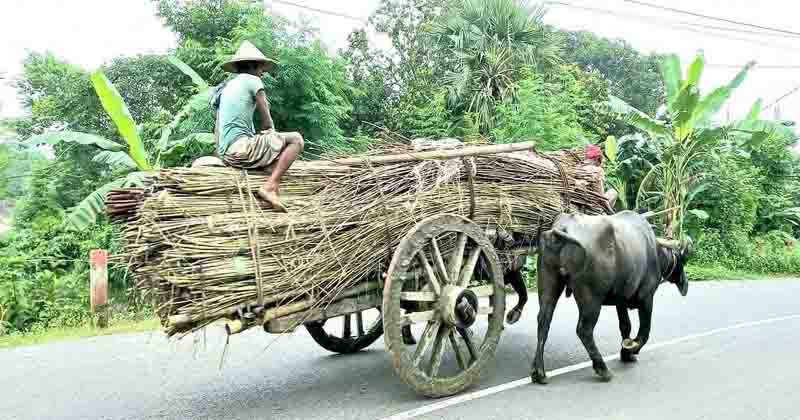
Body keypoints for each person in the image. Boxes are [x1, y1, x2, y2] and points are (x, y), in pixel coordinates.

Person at [213, 41, 304, 212]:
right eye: (262, 68)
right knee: (296, 140)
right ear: (254, 66)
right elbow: (267, 121)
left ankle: (270, 178)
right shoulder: (254, 81)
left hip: (227, 153)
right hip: (241, 149)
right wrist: (270, 133)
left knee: (274, 161)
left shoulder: (225, 88)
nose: (262, 73)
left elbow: (217, 129)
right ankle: (270, 186)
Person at [583, 144, 618, 208]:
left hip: (581, 200)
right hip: (594, 204)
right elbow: (601, 196)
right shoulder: (598, 170)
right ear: (597, 158)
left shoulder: (578, 168)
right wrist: (610, 211)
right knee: (613, 192)